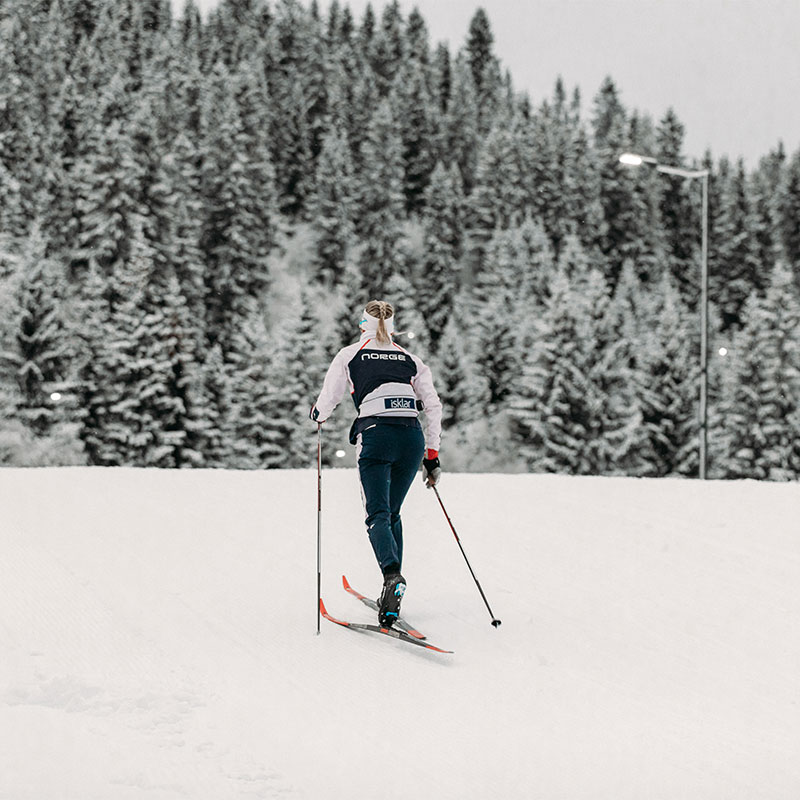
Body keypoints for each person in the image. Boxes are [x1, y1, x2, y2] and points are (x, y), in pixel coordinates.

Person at [310, 299, 443, 627]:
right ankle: (391, 596)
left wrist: (318, 415)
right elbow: (433, 405)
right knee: (393, 513)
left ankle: (391, 577)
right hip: (411, 437)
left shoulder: (350, 354)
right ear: (393, 327)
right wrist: (432, 455)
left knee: (377, 515)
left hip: (376, 434)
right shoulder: (410, 358)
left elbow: (331, 397)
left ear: (361, 326)